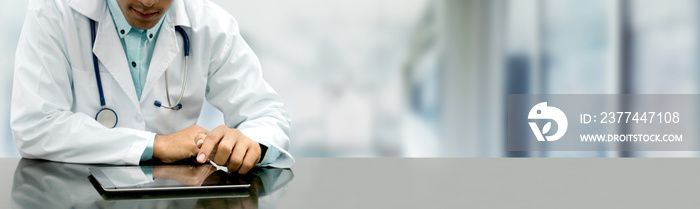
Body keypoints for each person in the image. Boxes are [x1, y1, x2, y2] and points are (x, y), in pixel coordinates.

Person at [11, 0, 294, 174]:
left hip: (172, 197)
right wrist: (157, 145)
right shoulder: (55, 11)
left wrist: (252, 143)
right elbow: (35, 125)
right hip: (73, 193)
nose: (148, 2)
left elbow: (267, 114)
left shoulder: (210, 23)